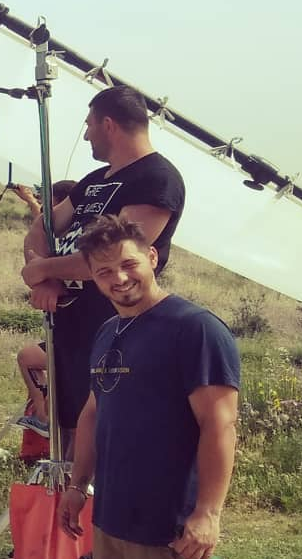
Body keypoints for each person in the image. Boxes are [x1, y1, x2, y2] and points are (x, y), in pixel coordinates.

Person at [57, 215, 239, 559]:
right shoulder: (109, 330)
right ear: (92, 277)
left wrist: (207, 512)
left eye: (128, 264)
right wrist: (76, 486)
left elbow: (220, 425)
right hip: (118, 514)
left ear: (152, 258)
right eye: (104, 271)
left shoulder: (194, 328)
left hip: (172, 520)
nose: (118, 278)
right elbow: (94, 411)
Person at [20, 85, 185, 448]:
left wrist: (45, 270)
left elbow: (111, 261)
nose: (85, 135)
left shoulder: (156, 180)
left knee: (104, 433)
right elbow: (40, 228)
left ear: (108, 124)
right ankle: (71, 500)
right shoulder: (93, 182)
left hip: (113, 328)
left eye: (88, 125)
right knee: (68, 433)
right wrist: (44, 278)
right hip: (67, 327)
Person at [10, 179, 77, 441]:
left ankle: (44, 417)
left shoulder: (72, 236)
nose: (50, 209)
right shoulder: (69, 232)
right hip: (63, 326)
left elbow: (45, 224)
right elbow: (43, 222)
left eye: (52, 202)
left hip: (73, 329)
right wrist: (29, 200)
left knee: (27, 357)